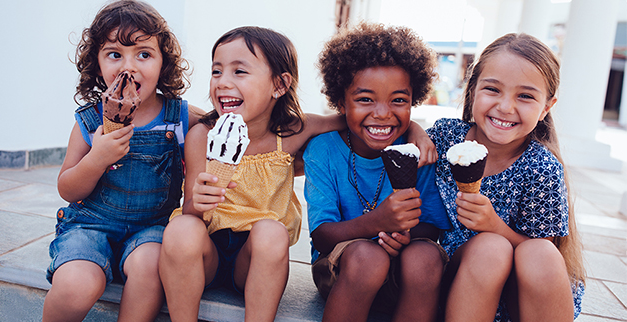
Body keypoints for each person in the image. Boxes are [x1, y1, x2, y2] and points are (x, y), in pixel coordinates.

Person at [158, 26, 436, 322]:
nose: (223, 82)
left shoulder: (293, 132)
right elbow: (190, 211)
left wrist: (415, 130)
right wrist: (199, 202)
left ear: (279, 85)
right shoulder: (203, 135)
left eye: (239, 72)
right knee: (181, 228)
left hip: (254, 259)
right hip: (206, 253)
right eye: (217, 71)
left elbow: (357, 118)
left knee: (271, 231)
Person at [42, 1, 202, 321]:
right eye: (115, 54)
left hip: (151, 229)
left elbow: (226, 123)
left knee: (151, 266)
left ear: (163, 62)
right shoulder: (89, 121)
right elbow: (68, 188)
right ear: (97, 64)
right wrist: (96, 159)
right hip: (89, 226)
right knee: (76, 285)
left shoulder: (179, 118)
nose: (129, 66)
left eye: (143, 54)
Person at [427, 33, 585, 322]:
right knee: (490, 250)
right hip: (457, 281)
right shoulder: (445, 137)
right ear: (473, 89)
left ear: (546, 107)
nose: (505, 107)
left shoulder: (541, 168)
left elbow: (541, 249)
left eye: (525, 96)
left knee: (539, 253)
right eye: (493, 90)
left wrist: (494, 226)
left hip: (519, 299)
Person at [304, 22, 451, 322]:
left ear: (414, 100)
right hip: (344, 269)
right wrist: (377, 223)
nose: (382, 113)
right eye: (365, 99)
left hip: (403, 272)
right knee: (368, 257)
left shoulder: (418, 152)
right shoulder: (323, 150)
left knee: (426, 257)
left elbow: (432, 227)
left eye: (398, 100)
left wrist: (404, 235)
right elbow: (321, 237)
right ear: (341, 102)